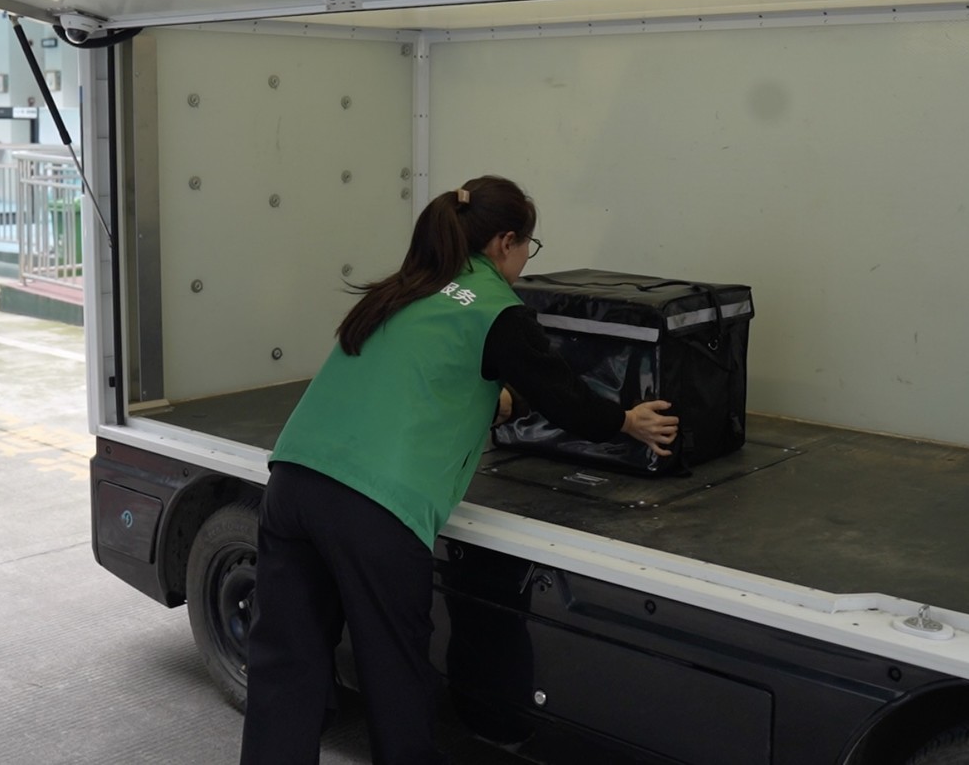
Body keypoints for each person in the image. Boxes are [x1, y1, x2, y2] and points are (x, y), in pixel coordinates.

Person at [239, 175, 678, 765]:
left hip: (294, 482)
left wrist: (495, 402)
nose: (526, 259)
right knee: (395, 677)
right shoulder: (496, 309)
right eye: (528, 246)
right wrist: (625, 421)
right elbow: (567, 401)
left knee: (284, 666)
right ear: (504, 242)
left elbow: (417, 378)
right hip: (374, 508)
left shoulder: (405, 287)